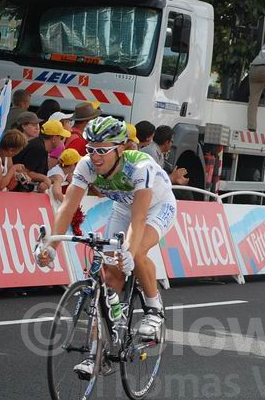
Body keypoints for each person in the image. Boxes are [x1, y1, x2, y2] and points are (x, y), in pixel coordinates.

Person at [36, 117, 177, 375]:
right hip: (123, 206)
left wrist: (128, 253)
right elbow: (68, 206)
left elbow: (139, 218)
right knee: (109, 278)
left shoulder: (141, 166)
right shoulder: (86, 165)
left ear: (120, 149)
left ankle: (154, 310)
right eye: (91, 149)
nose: (95, 157)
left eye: (102, 150)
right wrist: (51, 245)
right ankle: (96, 353)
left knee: (137, 252)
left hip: (156, 206)